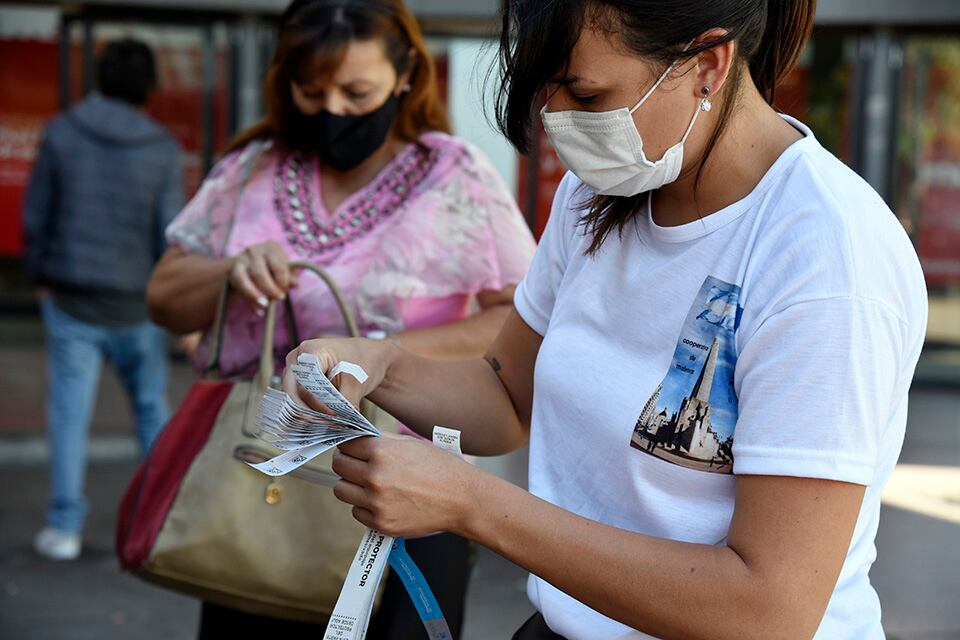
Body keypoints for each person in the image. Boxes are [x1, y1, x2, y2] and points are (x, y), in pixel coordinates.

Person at [285, 1, 929, 639]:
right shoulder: (600, 193)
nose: (559, 120)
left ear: (707, 63)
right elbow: (507, 396)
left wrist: (473, 503)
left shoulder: (826, 260)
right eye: (549, 91)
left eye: (587, 96)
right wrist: (379, 364)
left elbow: (768, 610)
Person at [146, 0, 535, 636]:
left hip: (407, 476)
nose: (334, 111)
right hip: (259, 475)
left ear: (406, 72)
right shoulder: (252, 169)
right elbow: (163, 296)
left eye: (358, 92)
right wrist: (231, 270)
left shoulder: (453, 176)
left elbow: (516, 319)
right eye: (311, 92)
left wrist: (382, 355)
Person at [23, 38, 182, 562]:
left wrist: (41, 275)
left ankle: (65, 528)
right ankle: (157, 523)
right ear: (148, 88)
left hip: (72, 303)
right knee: (149, 411)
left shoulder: (63, 132)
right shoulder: (160, 148)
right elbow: (170, 238)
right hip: (137, 307)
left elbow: (37, 215)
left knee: (69, 416)